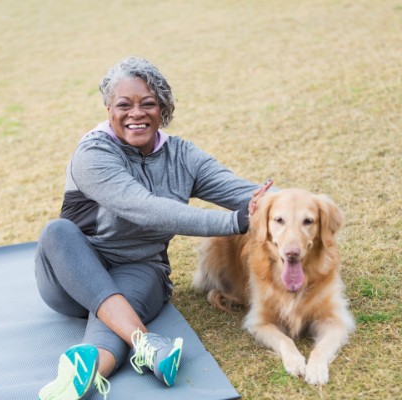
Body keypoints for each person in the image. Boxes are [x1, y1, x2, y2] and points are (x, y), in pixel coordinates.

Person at [34, 56, 273, 400]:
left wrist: (299, 206)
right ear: (108, 109)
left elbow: (240, 190)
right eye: (124, 104)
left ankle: (89, 373)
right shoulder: (93, 153)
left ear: (163, 109)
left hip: (140, 271)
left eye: (148, 103)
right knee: (56, 232)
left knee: (112, 321)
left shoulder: (182, 156)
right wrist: (235, 221)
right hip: (73, 278)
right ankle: (145, 343)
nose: (136, 113)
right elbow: (147, 208)